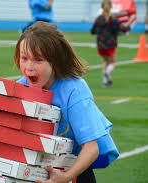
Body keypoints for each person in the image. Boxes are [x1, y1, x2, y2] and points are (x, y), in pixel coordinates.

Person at [14, 21, 119, 183]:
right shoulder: (19, 87)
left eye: (38, 60)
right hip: (36, 168)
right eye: (24, 58)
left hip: (75, 168)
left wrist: (66, 177)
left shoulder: (74, 90)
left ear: (54, 61)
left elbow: (92, 148)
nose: (29, 67)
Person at [91, 0, 130, 88]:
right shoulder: (113, 19)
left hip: (100, 45)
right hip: (110, 45)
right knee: (112, 62)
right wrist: (128, 27)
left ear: (101, 7)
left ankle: (105, 82)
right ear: (111, 7)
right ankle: (107, 73)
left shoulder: (98, 19)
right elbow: (123, 29)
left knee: (106, 61)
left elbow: (93, 31)